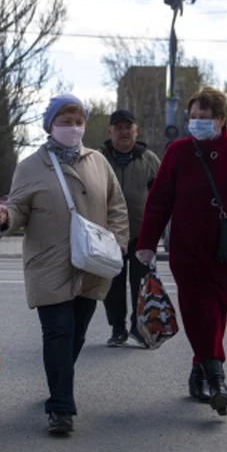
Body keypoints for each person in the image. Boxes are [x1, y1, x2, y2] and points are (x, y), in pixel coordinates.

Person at [0, 94, 129, 435]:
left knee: (76, 334)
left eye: (78, 120)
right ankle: (61, 407)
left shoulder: (98, 162)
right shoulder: (31, 165)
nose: (73, 127)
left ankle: (58, 382)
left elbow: (117, 206)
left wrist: (119, 244)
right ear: (50, 125)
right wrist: (5, 215)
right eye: (65, 121)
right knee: (58, 332)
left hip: (92, 262)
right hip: (49, 263)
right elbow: (18, 207)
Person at [135, 86, 227, 414]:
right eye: (192, 117)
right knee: (200, 311)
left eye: (204, 118)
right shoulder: (178, 152)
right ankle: (217, 378)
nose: (196, 123)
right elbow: (159, 200)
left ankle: (198, 371)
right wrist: (147, 244)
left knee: (218, 312)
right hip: (188, 248)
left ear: (221, 119)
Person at [98, 109, 161, 348]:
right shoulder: (98, 158)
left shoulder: (150, 160)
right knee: (112, 286)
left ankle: (138, 327)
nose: (124, 132)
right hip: (108, 236)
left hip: (141, 236)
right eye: (119, 127)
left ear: (136, 131)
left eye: (128, 127)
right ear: (110, 131)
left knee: (141, 284)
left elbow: (162, 197)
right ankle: (118, 328)